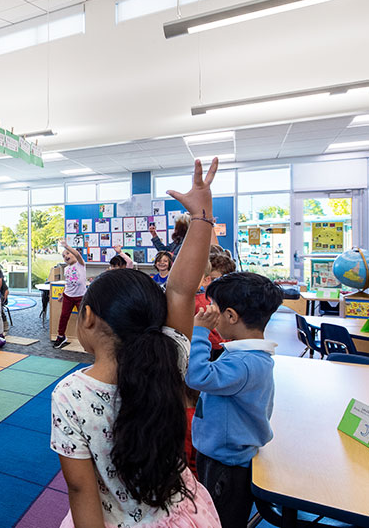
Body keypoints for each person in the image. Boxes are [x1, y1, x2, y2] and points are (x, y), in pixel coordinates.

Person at [51, 159, 221, 527]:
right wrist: (202, 217)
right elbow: (180, 289)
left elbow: (81, 492)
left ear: (89, 317)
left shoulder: (70, 393)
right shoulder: (170, 355)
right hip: (185, 516)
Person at [186, 272, 283, 528]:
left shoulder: (244, 363)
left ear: (230, 316)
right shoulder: (250, 355)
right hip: (224, 452)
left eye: (214, 307)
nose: (208, 311)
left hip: (226, 461)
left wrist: (199, 332)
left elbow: (196, 376)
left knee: (222, 519)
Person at [194, 254, 237, 359]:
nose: (211, 284)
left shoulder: (234, 300)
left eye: (215, 280)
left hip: (226, 347)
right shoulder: (198, 301)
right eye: (209, 279)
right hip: (206, 346)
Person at [53, 240, 87, 349]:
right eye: (63, 256)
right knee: (64, 316)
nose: (66, 256)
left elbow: (77, 254)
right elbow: (67, 283)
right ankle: (61, 336)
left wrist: (66, 246)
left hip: (80, 296)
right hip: (68, 296)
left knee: (84, 318)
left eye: (68, 253)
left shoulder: (80, 264)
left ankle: (88, 338)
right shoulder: (66, 269)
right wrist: (62, 294)